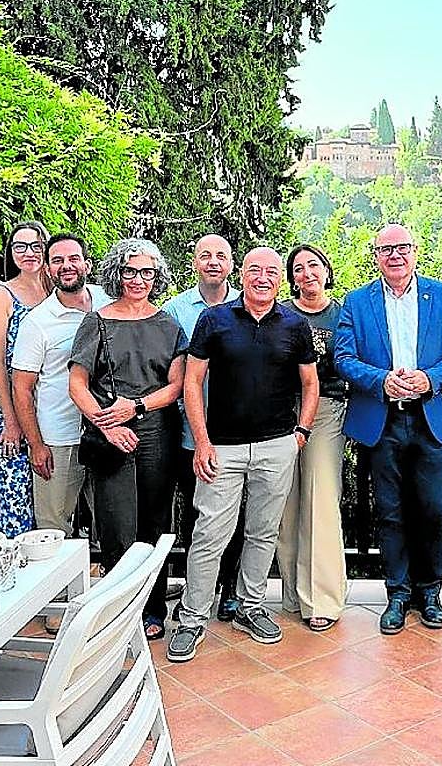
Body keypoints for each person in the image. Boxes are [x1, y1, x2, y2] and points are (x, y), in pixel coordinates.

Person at [168, 247, 317, 659]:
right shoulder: (213, 320)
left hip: (277, 446)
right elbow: (192, 383)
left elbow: (310, 383)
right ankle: (192, 618)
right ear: (243, 275)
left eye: (272, 271)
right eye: (255, 270)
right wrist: (201, 441)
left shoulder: (295, 325)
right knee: (209, 535)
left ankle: (250, 607)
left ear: (280, 280)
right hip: (222, 449)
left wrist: (300, 434)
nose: (263, 278)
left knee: (262, 531)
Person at [335, 224, 442, 635]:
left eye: (402, 248)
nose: (394, 255)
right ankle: (396, 593)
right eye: (386, 249)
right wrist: (380, 380)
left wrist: (430, 379)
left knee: (434, 510)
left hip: (433, 419)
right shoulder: (357, 302)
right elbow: (342, 356)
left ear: (415, 252)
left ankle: (429, 592)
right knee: (389, 511)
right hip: (384, 418)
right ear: (376, 256)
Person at [70, 238, 185, 641]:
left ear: (158, 276)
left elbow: (176, 386)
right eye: (130, 271)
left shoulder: (169, 325)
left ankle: (153, 609)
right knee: (116, 526)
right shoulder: (96, 322)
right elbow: (77, 383)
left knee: (155, 525)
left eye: (147, 272)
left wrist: (135, 407)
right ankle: (118, 614)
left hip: (157, 433)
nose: (138, 279)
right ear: (116, 274)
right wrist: (106, 425)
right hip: (109, 436)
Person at [160, 233, 244, 620]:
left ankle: (229, 590)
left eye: (221, 255)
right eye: (205, 255)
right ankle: (197, 594)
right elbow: (175, 374)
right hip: (190, 432)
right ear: (194, 262)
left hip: (240, 433)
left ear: (232, 264)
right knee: (197, 517)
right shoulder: (176, 310)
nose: (213, 261)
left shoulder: (249, 305)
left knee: (236, 520)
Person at [12, 234, 109, 533]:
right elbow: (22, 388)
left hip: (107, 430)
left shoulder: (108, 303)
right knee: (54, 525)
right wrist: (37, 445)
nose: (66, 266)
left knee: (109, 522)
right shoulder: (37, 322)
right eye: (57, 261)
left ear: (87, 264)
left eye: (73, 258)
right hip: (59, 436)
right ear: (48, 269)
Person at [277, 244, 350, 632]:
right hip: (280, 411)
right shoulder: (280, 314)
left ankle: (321, 597)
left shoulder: (342, 314)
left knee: (320, 500)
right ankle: (292, 592)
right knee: (285, 508)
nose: (307, 274)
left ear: (326, 270)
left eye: (314, 266)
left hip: (325, 409)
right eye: (299, 269)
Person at [0, 223, 51, 536]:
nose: (28, 253)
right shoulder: (1, 294)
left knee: (48, 492)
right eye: (20, 246)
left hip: (48, 403)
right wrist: (10, 421)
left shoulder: (54, 291)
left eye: (36, 246)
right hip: (8, 403)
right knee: (15, 492)